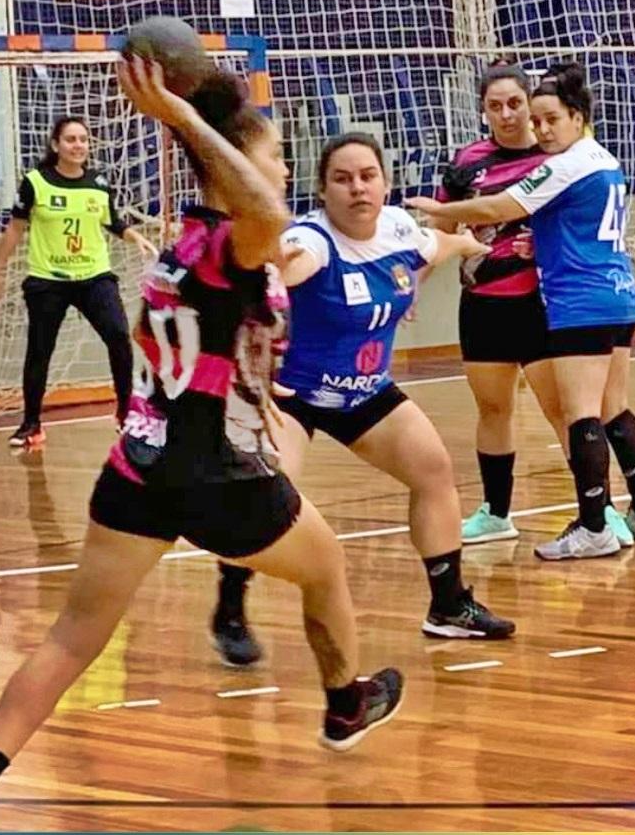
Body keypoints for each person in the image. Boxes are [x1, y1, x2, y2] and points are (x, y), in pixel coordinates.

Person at [0, 60, 404, 833]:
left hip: (138, 467)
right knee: (327, 568)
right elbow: (263, 211)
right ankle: (345, 704)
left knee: (72, 637)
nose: (285, 169)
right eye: (276, 154)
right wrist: (189, 121)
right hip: (219, 477)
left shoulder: (182, 242)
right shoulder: (236, 242)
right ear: (240, 167)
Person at [210, 132, 515, 668]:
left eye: (367, 176)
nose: (357, 188)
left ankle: (449, 607)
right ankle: (230, 607)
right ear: (322, 190)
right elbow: (260, 279)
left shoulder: (398, 228)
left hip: (363, 391)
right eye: (342, 179)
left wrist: (464, 245)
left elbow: (432, 247)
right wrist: (247, 356)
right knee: (263, 494)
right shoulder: (312, 244)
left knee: (434, 471)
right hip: (295, 394)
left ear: (386, 182)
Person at [408, 62, 635, 562]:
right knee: (603, 409)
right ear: (482, 110)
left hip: (568, 301)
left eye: (541, 115)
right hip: (579, 296)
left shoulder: (563, 162)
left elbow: (496, 210)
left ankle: (597, 520)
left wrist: (435, 210)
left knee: (578, 415)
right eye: (495, 105)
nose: (536, 125)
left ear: (571, 116)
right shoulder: (588, 160)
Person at [0, 115, 159, 448]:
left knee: (119, 336)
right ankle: (31, 425)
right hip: (48, 279)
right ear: (56, 145)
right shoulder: (36, 182)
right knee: (40, 350)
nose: (78, 145)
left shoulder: (99, 183)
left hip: (94, 276)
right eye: (70, 139)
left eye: (83, 139)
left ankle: (125, 413)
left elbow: (112, 221)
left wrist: (134, 236)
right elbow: (16, 228)